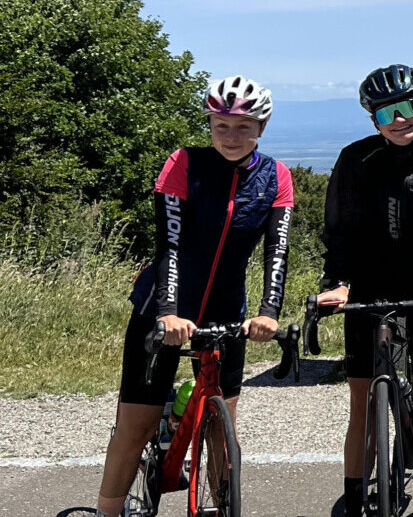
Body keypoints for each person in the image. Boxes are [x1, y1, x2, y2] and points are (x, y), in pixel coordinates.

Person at [95, 76, 294, 517]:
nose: (231, 136)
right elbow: (169, 243)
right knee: (136, 427)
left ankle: (223, 507)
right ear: (209, 124)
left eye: (243, 126)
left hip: (228, 313)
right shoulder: (183, 163)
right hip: (162, 308)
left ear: (261, 127)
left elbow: (277, 251)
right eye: (221, 125)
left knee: (225, 432)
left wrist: (268, 312)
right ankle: (106, 511)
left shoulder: (276, 177)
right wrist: (168, 313)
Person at [316, 64, 413, 517]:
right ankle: (354, 501)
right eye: (388, 113)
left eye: (409, 107)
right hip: (370, 284)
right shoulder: (355, 158)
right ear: (374, 120)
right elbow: (340, 228)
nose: (401, 119)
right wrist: (338, 284)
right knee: (361, 405)